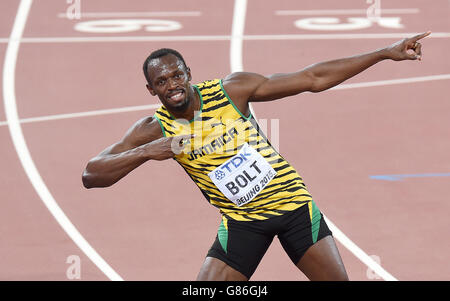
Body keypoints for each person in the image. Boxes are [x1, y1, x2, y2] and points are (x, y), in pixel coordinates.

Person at [82, 31, 430, 281]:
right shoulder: (154, 128)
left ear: (190, 74)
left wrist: (384, 52)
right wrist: (147, 151)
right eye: (162, 81)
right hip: (242, 223)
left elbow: (312, 78)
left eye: (177, 75)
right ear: (151, 89)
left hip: (293, 208)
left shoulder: (231, 90)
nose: (172, 85)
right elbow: (91, 175)